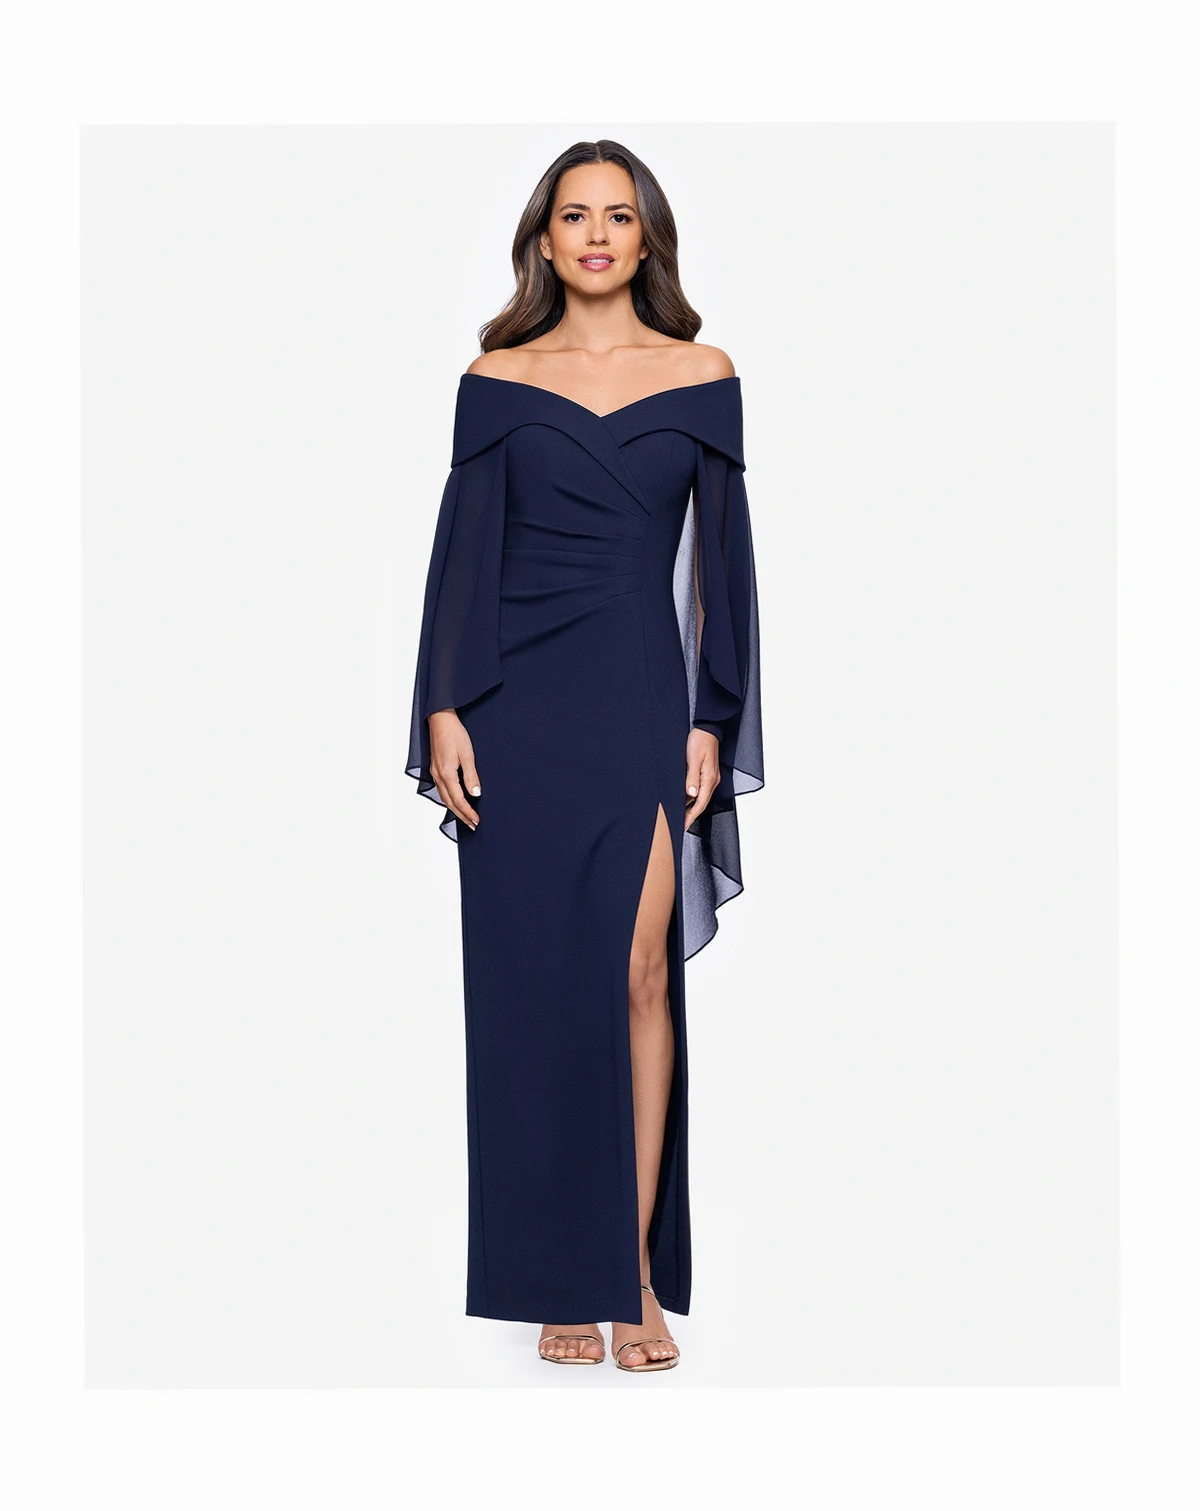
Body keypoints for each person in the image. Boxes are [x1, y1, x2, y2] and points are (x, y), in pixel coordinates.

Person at [406, 138, 763, 1373]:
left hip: (639, 703)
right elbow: (462, 555)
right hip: (515, 709)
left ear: (646, 235)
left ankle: (634, 1273)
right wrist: (444, 707)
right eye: (575, 215)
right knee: (533, 993)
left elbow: (722, 572)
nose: (598, 234)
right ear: (544, 240)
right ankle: (563, 1271)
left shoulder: (703, 376)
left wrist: (711, 718)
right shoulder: (496, 378)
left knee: (638, 974)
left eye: (619, 214)